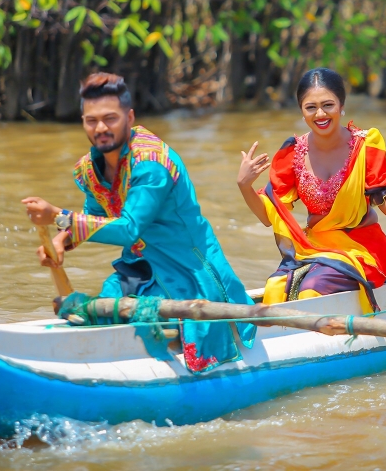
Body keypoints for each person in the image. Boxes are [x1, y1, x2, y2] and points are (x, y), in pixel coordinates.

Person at [22, 72, 255, 373]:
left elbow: (129, 229)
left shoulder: (151, 163)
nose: (101, 128)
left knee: (151, 322)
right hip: (137, 269)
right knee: (98, 310)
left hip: (187, 270)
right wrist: (61, 241)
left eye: (110, 118)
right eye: (92, 121)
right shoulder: (89, 169)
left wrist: (58, 217)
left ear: (129, 117)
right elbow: (97, 216)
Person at [236, 67, 386, 313]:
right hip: (313, 248)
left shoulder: (366, 146)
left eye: (328, 105)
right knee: (275, 287)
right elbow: (270, 217)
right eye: (311, 107)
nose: (320, 114)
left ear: (342, 106)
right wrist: (244, 186)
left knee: (311, 290)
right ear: (302, 112)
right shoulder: (292, 153)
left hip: (362, 248)